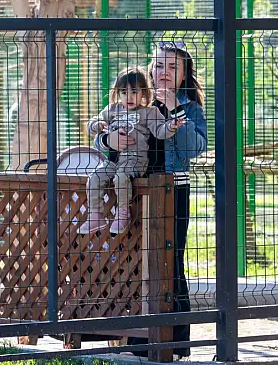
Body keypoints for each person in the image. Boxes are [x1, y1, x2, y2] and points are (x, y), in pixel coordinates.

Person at [93, 41, 208, 359]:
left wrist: (175, 111)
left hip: (172, 191)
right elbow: (102, 131)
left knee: (170, 261)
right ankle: (136, 339)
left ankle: (174, 340)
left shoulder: (189, 105)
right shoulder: (134, 98)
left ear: (184, 75)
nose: (164, 73)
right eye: (159, 65)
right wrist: (107, 139)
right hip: (132, 188)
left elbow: (194, 148)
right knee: (135, 260)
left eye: (173, 67)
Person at [78, 67, 185, 235]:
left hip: (135, 160)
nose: (129, 97)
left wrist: (172, 125)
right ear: (117, 93)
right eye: (124, 92)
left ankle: (122, 214)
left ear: (144, 93)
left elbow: (160, 131)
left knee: (121, 177)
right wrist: (97, 125)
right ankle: (95, 215)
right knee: (95, 177)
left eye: (134, 92)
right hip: (113, 160)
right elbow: (92, 124)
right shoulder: (112, 110)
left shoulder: (149, 112)